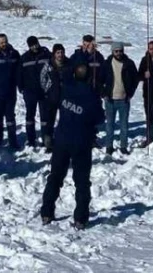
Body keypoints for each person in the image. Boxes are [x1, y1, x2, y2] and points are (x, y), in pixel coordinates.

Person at [40, 59, 104, 229]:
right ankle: (80, 218)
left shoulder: (65, 89)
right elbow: (100, 118)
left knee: (55, 177)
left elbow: (65, 77)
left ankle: (47, 212)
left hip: (62, 141)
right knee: (82, 182)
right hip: (82, 143)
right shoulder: (91, 96)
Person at [100, 42, 138, 155]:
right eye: (116, 51)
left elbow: (135, 79)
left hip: (124, 100)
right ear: (112, 51)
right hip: (110, 100)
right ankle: (109, 146)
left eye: (120, 51)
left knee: (124, 125)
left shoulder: (129, 63)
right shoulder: (107, 64)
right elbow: (99, 81)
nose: (118, 53)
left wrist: (130, 93)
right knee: (109, 125)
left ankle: (123, 146)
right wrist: (104, 94)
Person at [0, 33, 22, 149]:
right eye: (1, 42)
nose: (4, 44)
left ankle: (13, 141)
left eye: (5, 41)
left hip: (11, 92)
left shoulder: (14, 54)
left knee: (10, 117)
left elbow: (19, 69)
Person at [19, 36, 53, 148]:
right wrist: (21, 87)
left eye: (36, 44)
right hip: (30, 92)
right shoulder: (24, 58)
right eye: (32, 45)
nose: (34, 47)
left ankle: (46, 139)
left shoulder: (47, 55)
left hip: (44, 91)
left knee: (45, 117)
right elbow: (19, 74)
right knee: (30, 117)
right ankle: (31, 139)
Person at [39, 44, 69, 152]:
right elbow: (42, 77)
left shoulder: (68, 63)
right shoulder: (49, 64)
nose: (60, 55)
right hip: (52, 97)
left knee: (65, 121)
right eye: (58, 52)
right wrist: (47, 89)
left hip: (65, 98)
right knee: (50, 121)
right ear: (54, 54)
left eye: (61, 52)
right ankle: (49, 143)